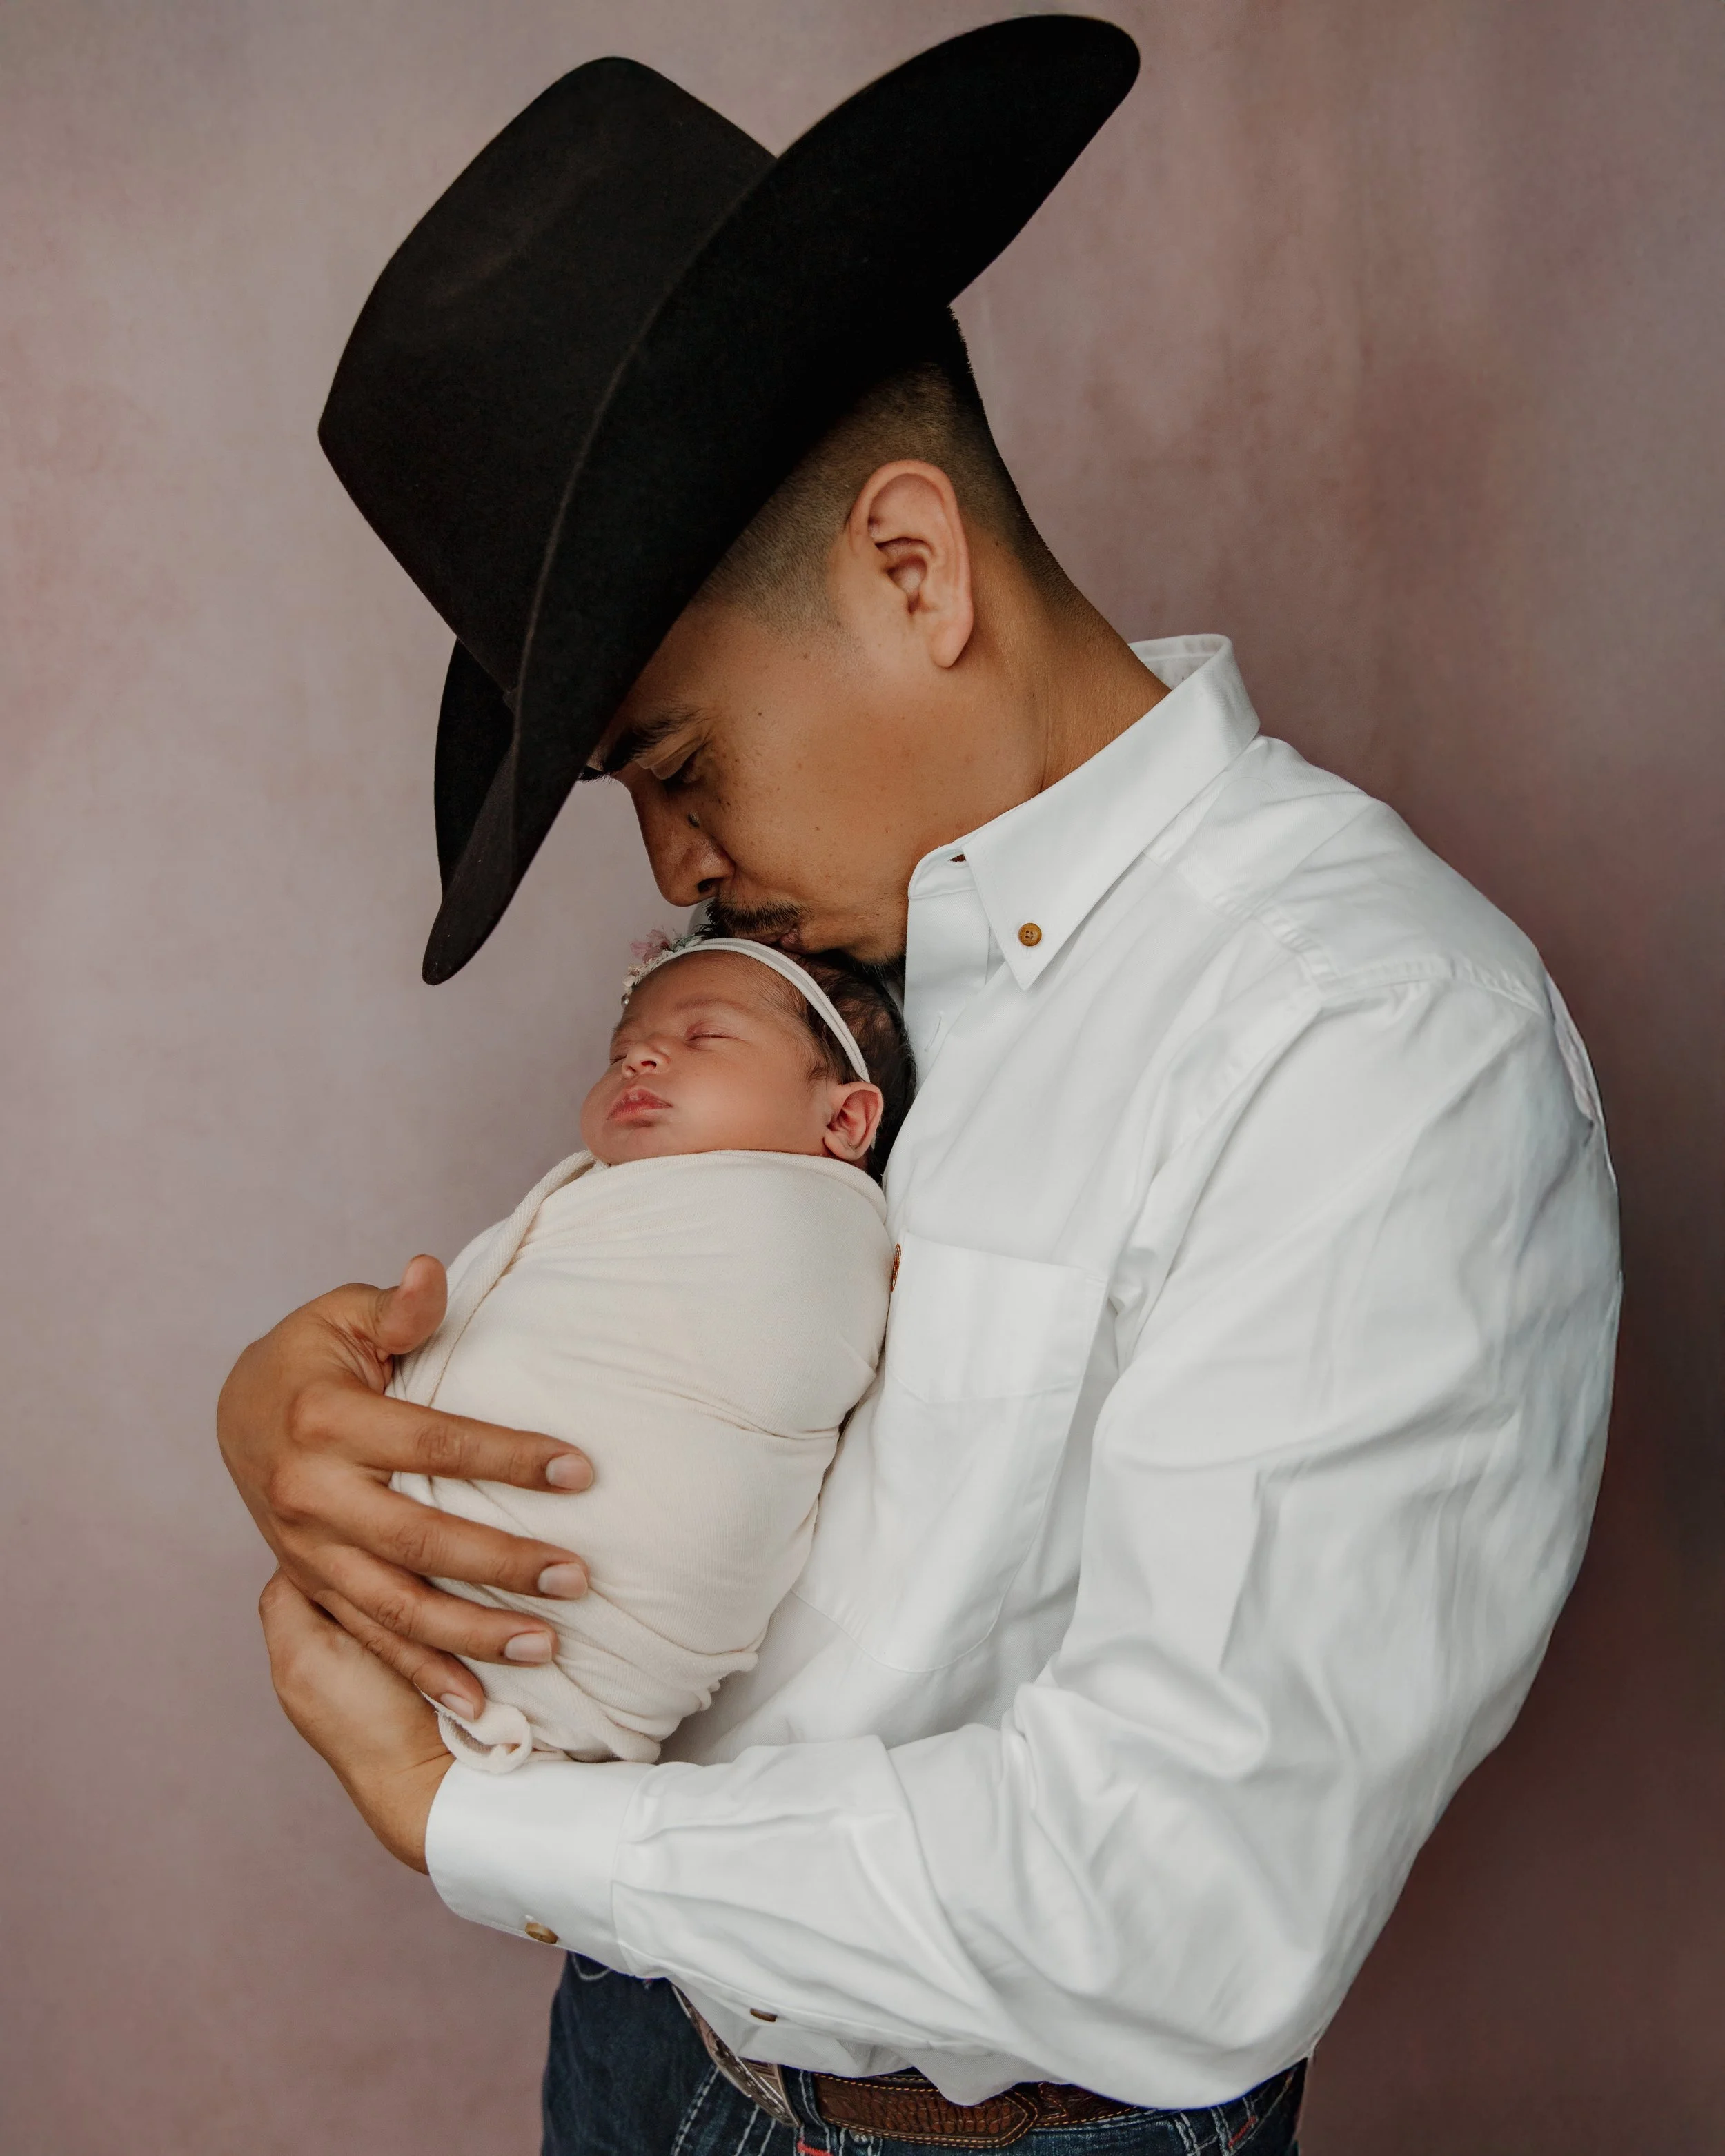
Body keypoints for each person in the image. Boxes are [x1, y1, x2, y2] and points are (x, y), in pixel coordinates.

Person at [219, 21, 1620, 2156]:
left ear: (910, 569)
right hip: (641, 2041)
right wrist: (293, 1420)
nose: (670, 872)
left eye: (674, 763)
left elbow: (1178, 1893)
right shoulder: (831, 985)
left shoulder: (1371, 1042)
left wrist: (464, 1819)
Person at [388, 939, 901, 1772]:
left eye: (704, 1036)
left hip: (587, 1624)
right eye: (619, 1051)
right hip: (412, 1565)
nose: (640, 1057)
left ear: (844, 1120)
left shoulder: (812, 1227)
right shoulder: (610, 1206)